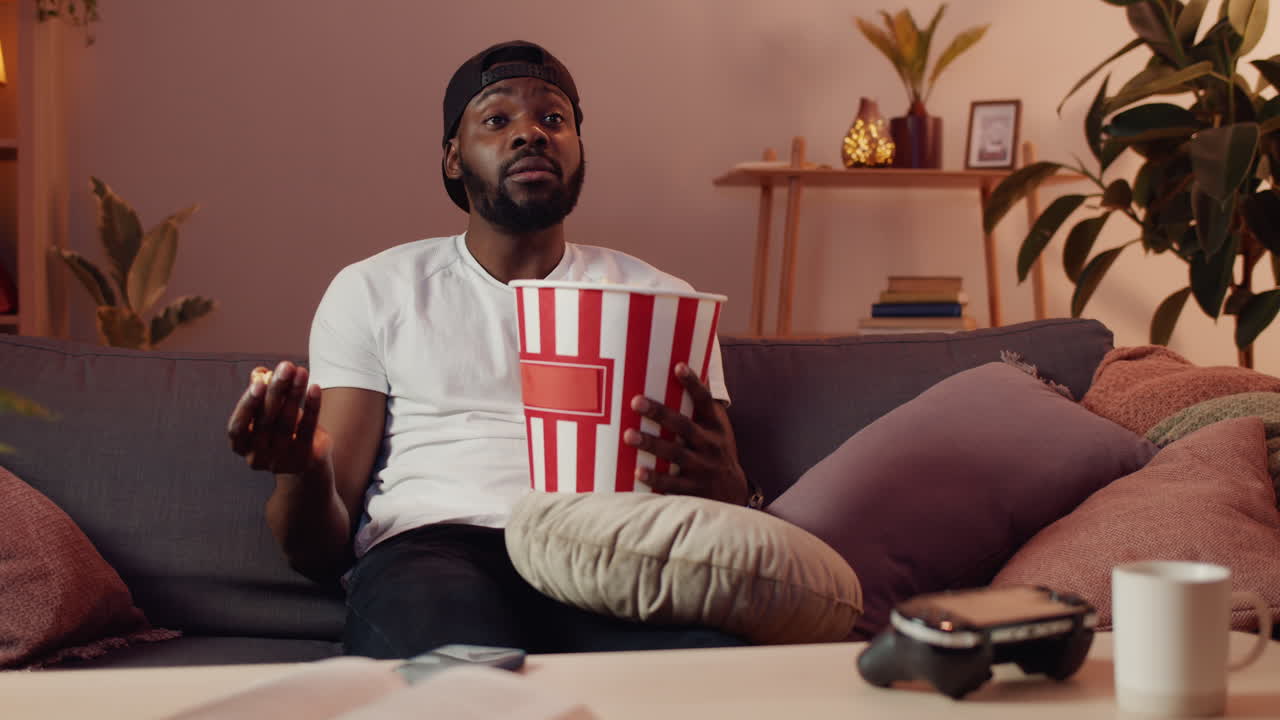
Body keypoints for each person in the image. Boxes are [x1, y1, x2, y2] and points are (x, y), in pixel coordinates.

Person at [226, 40, 757, 659]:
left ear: (578, 149)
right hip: (437, 550)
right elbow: (318, 551)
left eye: (553, 118)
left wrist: (730, 487)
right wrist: (302, 466)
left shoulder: (660, 299)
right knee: (459, 680)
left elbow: (722, 497)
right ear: (454, 158)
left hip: (615, 551)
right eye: (497, 119)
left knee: (711, 669)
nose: (531, 133)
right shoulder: (374, 288)